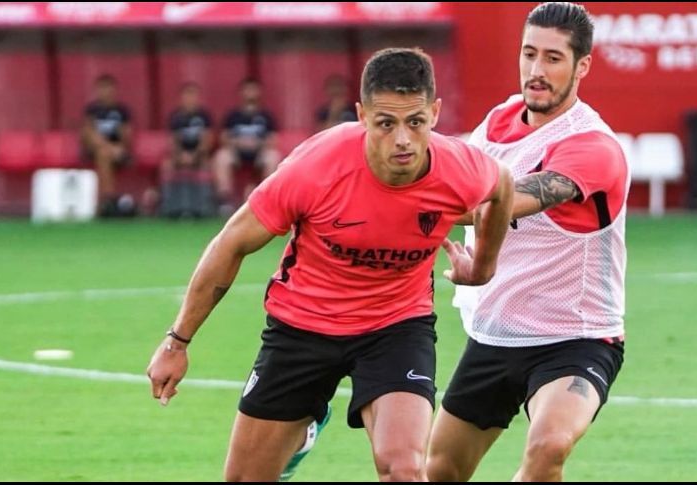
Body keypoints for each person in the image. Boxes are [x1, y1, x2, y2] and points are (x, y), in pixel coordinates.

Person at [147, 47, 514, 482]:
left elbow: (502, 188)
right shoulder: (315, 167)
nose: (402, 139)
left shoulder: (459, 168)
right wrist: (177, 342)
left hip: (395, 327)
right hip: (303, 325)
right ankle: (301, 432)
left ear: (434, 113)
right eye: (385, 123)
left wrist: (485, 267)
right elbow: (231, 245)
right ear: (361, 115)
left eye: (415, 122)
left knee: (403, 469)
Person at [426, 3, 630, 482]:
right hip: (495, 333)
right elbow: (455, 181)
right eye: (529, 53)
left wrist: (390, 199)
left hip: (575, 337)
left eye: (554, 59)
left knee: (549, 447)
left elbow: (493, 205)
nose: (536, 71)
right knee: (439, 470)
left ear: (582, 66)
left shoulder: (592, 147)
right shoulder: (499, 120)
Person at [213, 78, 281, 208]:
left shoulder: (266, 116)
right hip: (237, 152)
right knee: (221, 157)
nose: (250, 93)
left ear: (259, 93)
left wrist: (257, 143)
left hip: (259, 152)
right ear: (241, 93)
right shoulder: (233, 115)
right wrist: (237, 142)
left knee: (273, 156)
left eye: (253, 90)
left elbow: (273, 139)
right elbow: (224, 138)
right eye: (247, 90)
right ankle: (225, 201)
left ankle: (269, 200)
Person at [159, 82, 216, 218]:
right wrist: (180, 155)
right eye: (187, 95)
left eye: (193, 95)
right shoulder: (176, 117)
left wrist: (194, 156)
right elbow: (173, 141)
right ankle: (168, 206)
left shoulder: (204, 116)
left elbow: (207, 140)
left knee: (207, 165)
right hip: (179, 155)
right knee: (166, 165)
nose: (190, 99)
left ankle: (204, 207)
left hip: (200, 155)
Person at [80, 74, 132, 216]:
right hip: (96, 150)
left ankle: (107, 202)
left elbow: (127, 136)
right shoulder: (92, 110)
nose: (105, 92)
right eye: (102, 88)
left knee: (104, 154)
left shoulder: (121, 111)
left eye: (108, 88)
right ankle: (109, 199)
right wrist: (110, 148)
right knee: (102, 152)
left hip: (119, 152)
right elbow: (87, 133)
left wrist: (119, 147)